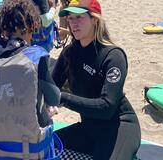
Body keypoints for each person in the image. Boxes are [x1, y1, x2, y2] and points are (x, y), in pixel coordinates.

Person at [0, 0, 61, 159]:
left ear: (1, 27)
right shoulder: (33, 58)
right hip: (26, 150)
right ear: (30, 27)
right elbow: (54, 97)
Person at [50, 0, 141, 159]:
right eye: (70, 18)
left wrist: (62, 98)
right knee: (46, 146)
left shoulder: (113, 56)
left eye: (79, 17)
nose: (73, 23)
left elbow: (107, 107)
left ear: (95, 19)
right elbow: (50, 86)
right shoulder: (69, 54)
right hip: (89, 129)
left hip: (119, 128)